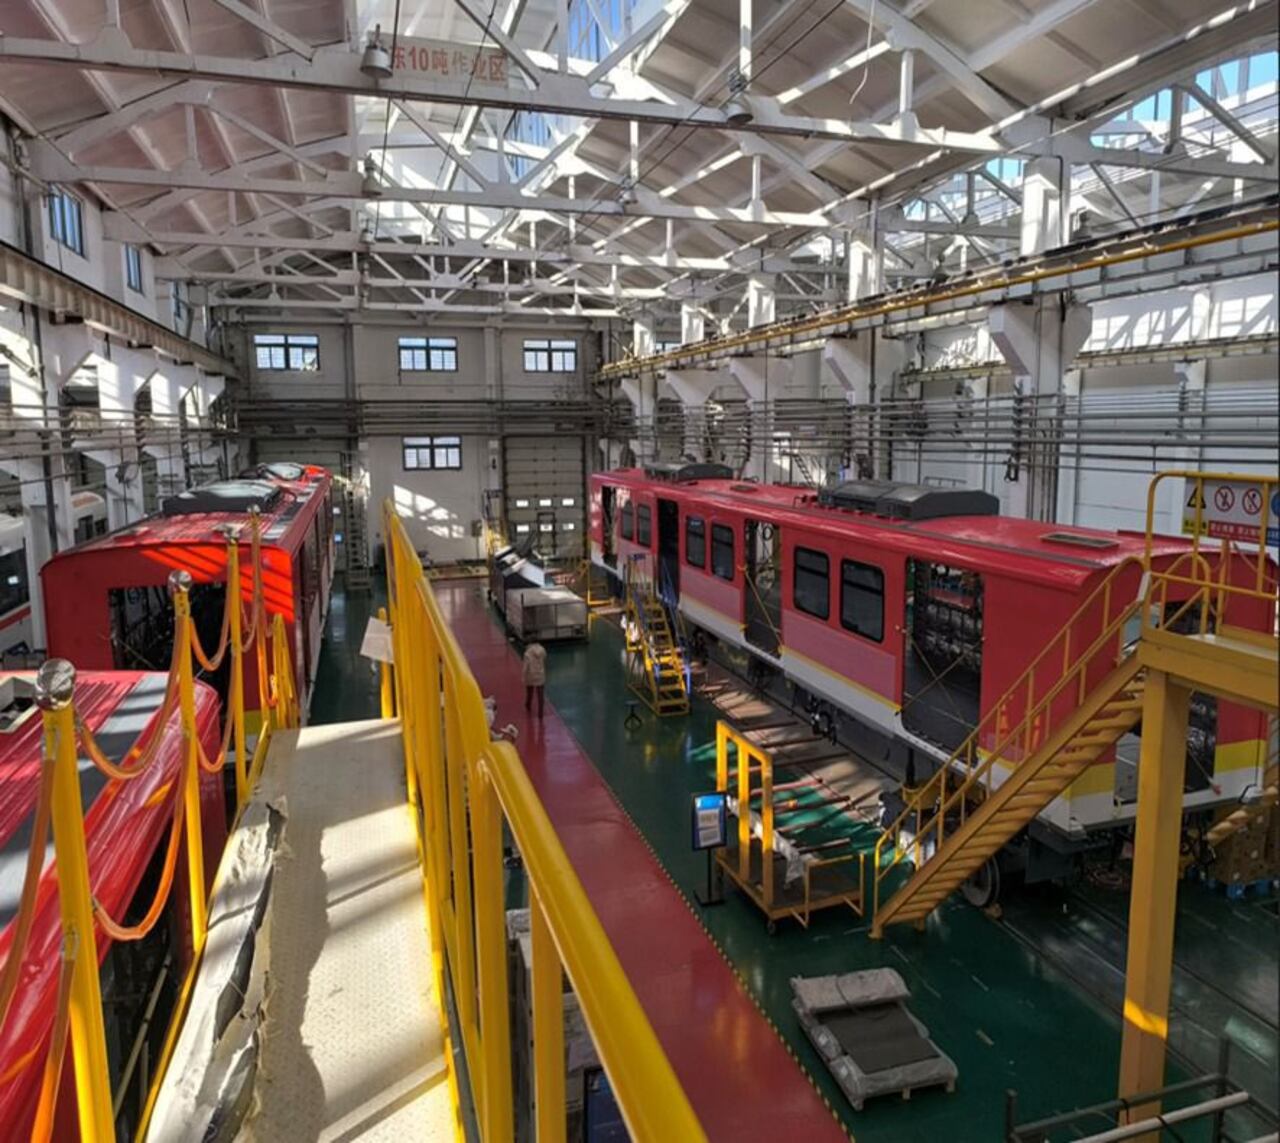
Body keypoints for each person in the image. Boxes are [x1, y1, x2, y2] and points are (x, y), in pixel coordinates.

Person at [522, 641, 547, 717]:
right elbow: (544, 658)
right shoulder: (542, 650)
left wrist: (523, 676)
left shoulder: (527, 653)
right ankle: (540, 712)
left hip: (530, 675)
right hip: (540, 675)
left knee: (530, 692)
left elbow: (525, 667)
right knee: (540, 695)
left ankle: (528, 705)